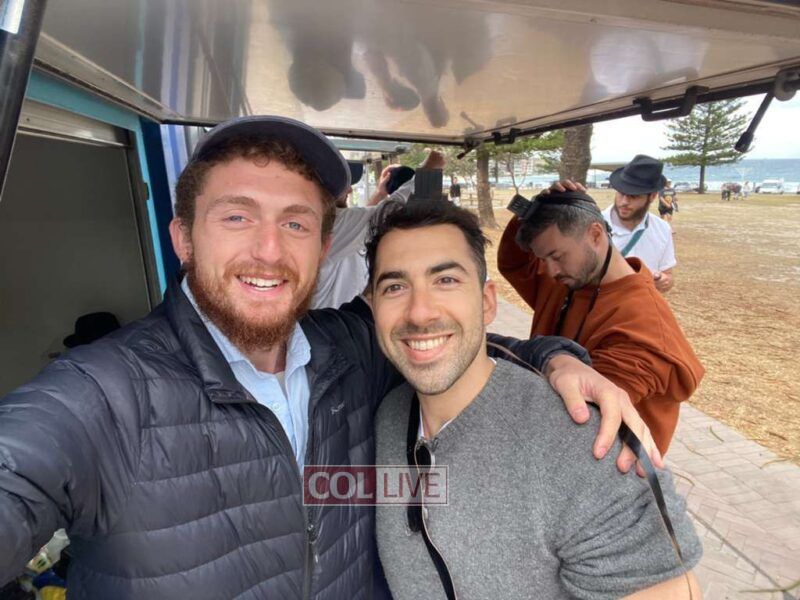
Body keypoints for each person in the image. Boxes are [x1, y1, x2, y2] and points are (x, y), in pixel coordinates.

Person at [0, 115, 647, 598]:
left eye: (295, 223)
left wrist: (561, 361)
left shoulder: (348, 348)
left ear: (323, 245)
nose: (269, 250)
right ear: (183, 239)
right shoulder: (96, 395)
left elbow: (454, 338)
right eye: (236, 217)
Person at [366, 201, 703, 599]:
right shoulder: (388, 416)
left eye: (446, 280)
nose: (419, 313)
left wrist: (566, 367)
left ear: (487, 302)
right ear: (373, 307)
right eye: (395, 287)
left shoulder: (587, 452)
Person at [498, 187, 705, 454]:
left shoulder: (642, 324)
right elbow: (514, 263)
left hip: (605, 468)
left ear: (596, 234)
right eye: (543, 259)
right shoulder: (569, 278)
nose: (550, 270)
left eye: (557, 256)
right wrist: (536, 208)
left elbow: (582, 418)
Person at [311, 153, 442, 309]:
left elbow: (362, 225)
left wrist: (380, 194)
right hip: (334, 322)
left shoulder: (324, 223)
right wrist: (429, 171)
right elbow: (391, 213)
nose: (350, 190)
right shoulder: (330, 224)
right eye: (344, 185)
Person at [602, 155, 677, 293]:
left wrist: (664, 281)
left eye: (633, 196)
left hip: (643, 303)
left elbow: (668, 274)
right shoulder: (594, 225)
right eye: (621, 193)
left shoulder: (662, 228)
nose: (624, 202)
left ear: (652, 196)